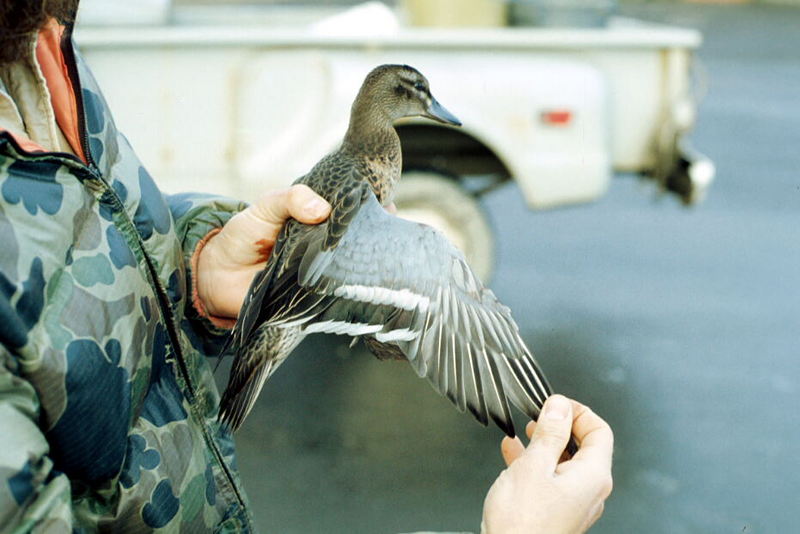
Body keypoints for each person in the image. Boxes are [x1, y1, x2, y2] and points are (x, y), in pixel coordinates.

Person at [0, 2, 613, 532]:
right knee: (440, 269)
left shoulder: (41, 48)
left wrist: (199, 266)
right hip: (277, 330)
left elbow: (95, 230)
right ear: (384, 104)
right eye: (414, 96)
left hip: (262, 328)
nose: (433, 110)